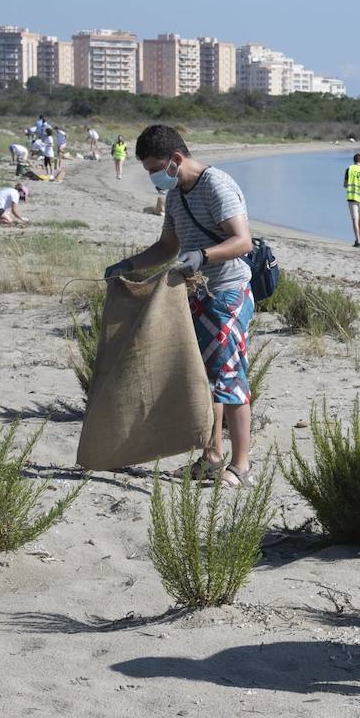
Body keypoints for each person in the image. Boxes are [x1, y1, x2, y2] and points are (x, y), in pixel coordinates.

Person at [104, 125, 256, 488]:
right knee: (205, 378)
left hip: (227, 293)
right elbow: (167, 248)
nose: (155, 177)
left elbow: (243, 242)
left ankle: (239, 465)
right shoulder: (175, 197)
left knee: (226, 378)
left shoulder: (216, 186)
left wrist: (202, 256)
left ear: (175, 159)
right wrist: (129, 264)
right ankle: (212, 457)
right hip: (197, 295)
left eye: (156, 168)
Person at [342, 153, 360, 248]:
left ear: (354, 161)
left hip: (352, 196)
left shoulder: (349, 169)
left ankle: (358, 239)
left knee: (355, 219)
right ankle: (359, 238)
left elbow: (345, 185)